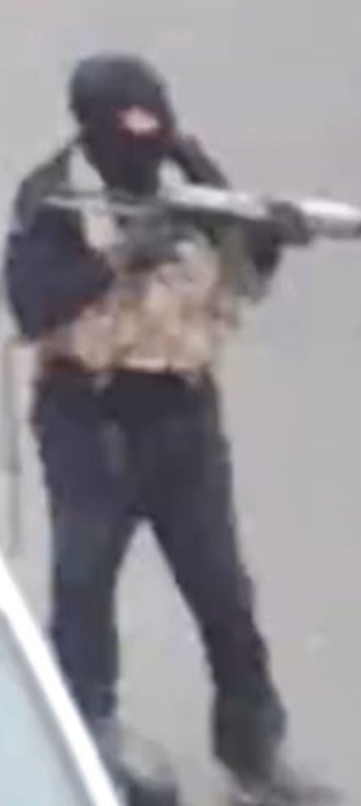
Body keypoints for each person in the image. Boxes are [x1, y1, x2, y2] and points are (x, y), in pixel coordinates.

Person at [2, 54, 334, 805]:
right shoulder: (54, 198)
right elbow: (32, 306)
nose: (152, 143)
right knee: (85, 589)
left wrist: (271, 237)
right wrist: (121, 257)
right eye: (133, 130)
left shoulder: (187, 168)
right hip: (91, 422)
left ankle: (254, 751)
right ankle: (86, 739)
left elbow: (239, 267)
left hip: (184, 414)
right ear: (93, 126)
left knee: (223, 593)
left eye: (160, 123)